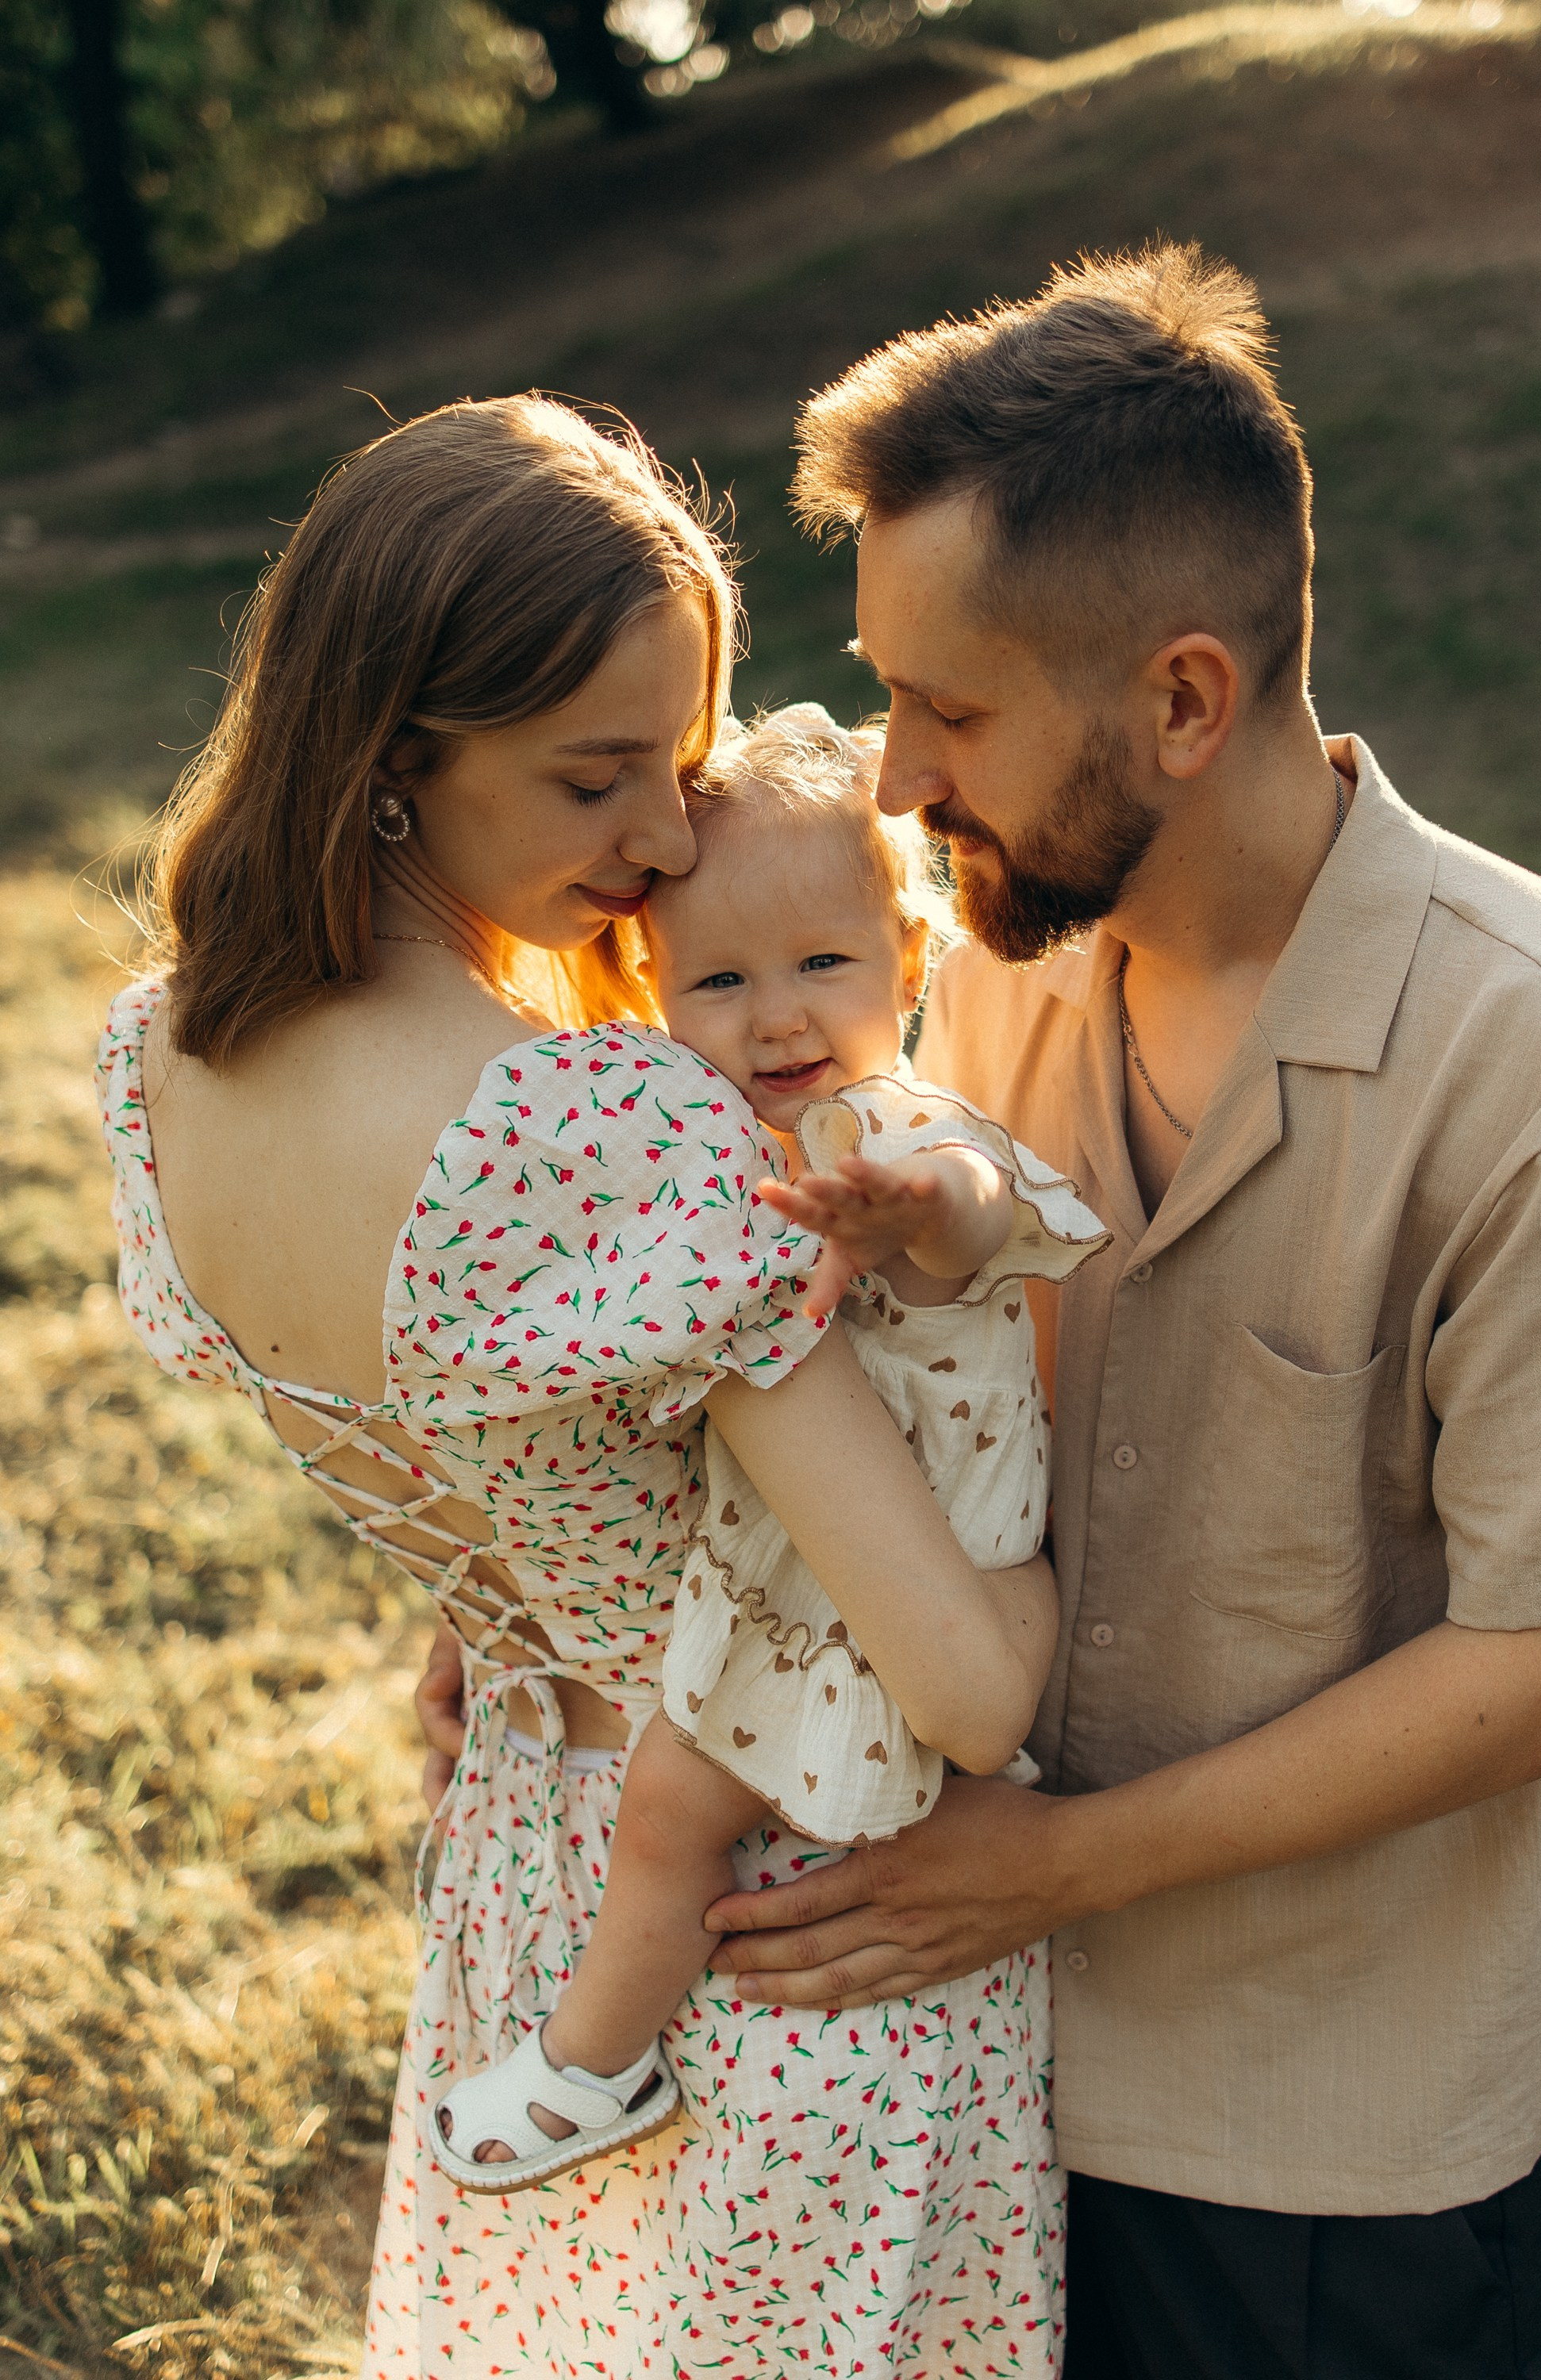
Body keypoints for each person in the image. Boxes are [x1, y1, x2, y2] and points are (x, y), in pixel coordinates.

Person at [681, 244, 1541, 2378]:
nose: (894, 783)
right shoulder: (971, 965)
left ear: (1184, 701)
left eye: (953, 711)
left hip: (1325, 2148)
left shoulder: (1536, 1061)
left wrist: (1055, 1868)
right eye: (887, 694)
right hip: (957, 2073)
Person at [97, 395, 1068, 2380]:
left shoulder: (164, 1059)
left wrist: (499, 1618)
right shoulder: (590, 1121)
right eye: (593, 775)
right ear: (394, 753)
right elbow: (964, 1691)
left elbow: (497, 1465)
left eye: (678, 766)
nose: (664, 843)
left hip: (529, 1885)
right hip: (802, 1915)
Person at [428, 701, 1109, 2195]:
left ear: (910, 963)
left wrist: (913, 1213)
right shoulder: (712, 1146)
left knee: (673, 1804)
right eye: (723, 981)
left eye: (823, 965)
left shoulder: (892, 1131)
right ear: (652, 989)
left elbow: (979, 1201)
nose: (781, 1019)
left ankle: (592, 2063)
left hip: (920, 1567)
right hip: (831, 1559)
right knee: (681, 1804)